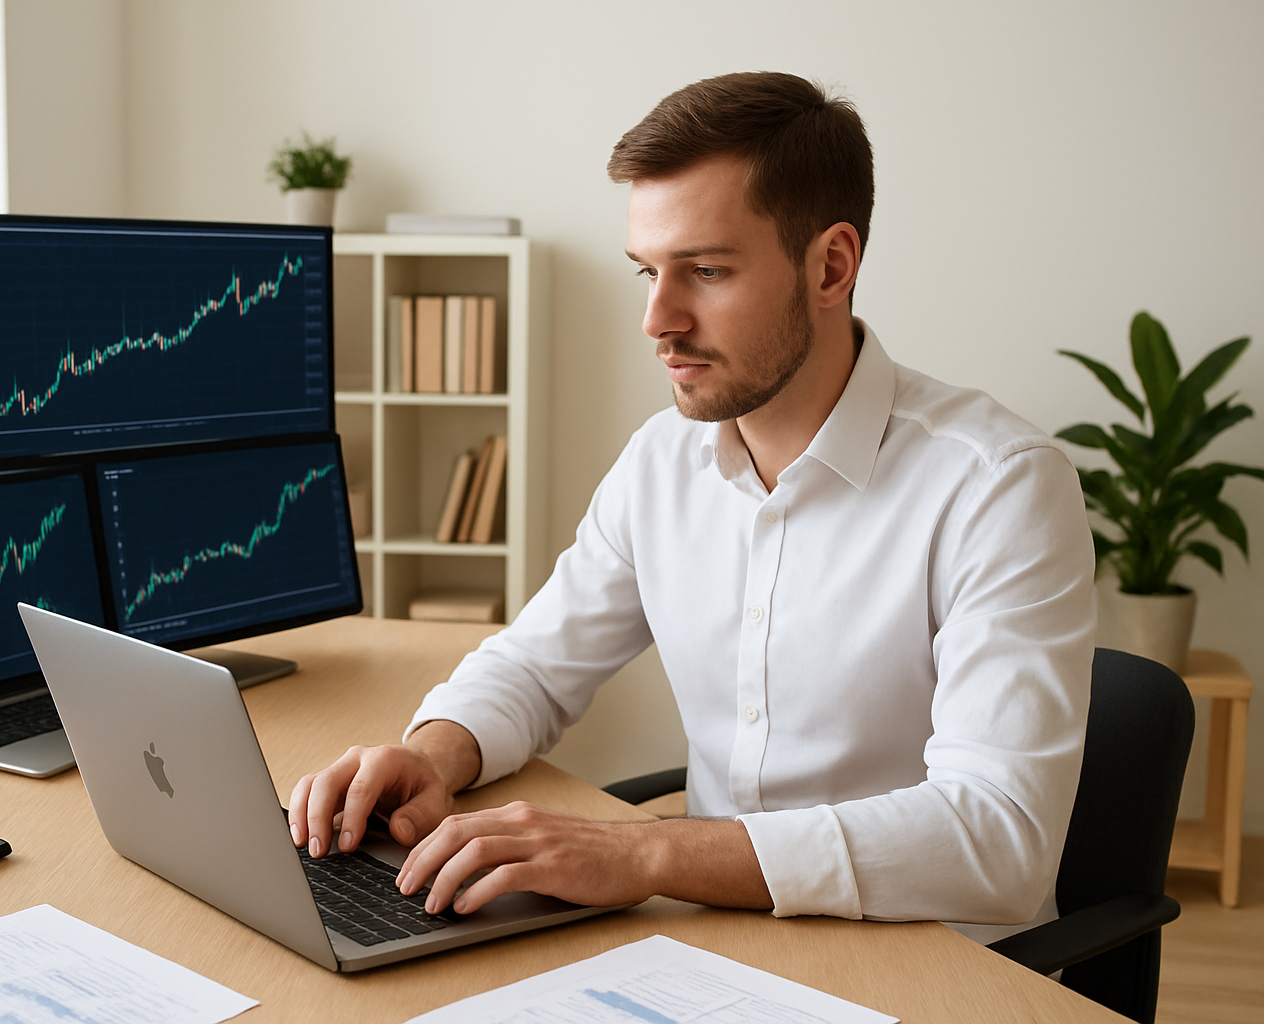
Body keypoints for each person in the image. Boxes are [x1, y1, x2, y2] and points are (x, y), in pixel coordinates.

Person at [289, 71, 1096, 939]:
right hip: (717, 937)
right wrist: (432, 753)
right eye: (647, 271)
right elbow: (535, 666)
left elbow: (999, 842)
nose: (657, 319)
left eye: (706, 271)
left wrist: (648, 853)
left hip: (923, 957)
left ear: (831, 266)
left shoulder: (999, 486)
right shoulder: (662, 461)